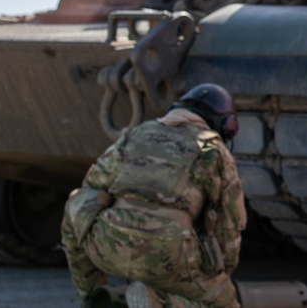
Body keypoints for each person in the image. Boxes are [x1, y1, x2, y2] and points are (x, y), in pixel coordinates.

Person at [61, 83, 246, 308]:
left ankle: (92, 296)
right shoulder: (211, 148)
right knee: (223, 303)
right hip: (170, 253)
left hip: (110, 243)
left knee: (78, 201)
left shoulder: (138, 133)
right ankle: (160, 301)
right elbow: (230, 222)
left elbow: (93, 184)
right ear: (224, 125)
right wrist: (218, 273)